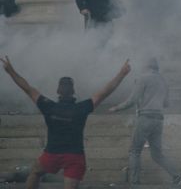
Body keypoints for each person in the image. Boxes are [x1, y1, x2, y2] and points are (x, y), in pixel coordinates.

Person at [0, 56, 131, 189]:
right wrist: (122, 74)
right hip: (75, 157)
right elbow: (105, 92)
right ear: (73, 91)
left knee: (35, 172)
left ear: (58, 91)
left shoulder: (49, 106)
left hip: (52, 154)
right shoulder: (81, 108)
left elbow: (27, 87)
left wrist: (10, 71)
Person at [109, 57, 181, 186]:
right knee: (157, 154)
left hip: (145, 118)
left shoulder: (143, 78)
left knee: (134, 151)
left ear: (146, 67)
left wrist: (116, 108)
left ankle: (135, 184)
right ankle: (178, 178)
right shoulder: (163, 81)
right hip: (158, 120)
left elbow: (132, 100)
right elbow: (166, 103)